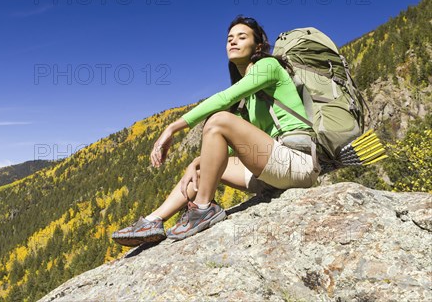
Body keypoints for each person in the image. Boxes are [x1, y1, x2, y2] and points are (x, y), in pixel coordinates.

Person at [111, 16, 321, 247]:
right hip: (273, 171)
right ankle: (153, 221)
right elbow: (228, 147)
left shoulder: (268, 66)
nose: (233, 42)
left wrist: (172, 128)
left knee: (218, 120)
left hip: (297, 162)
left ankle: (202, 208)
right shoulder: (249, 98)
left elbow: (225, 99)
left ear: (258, 46)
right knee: (202, 169)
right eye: (229, 38)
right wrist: (196, 163)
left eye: (242, 37)